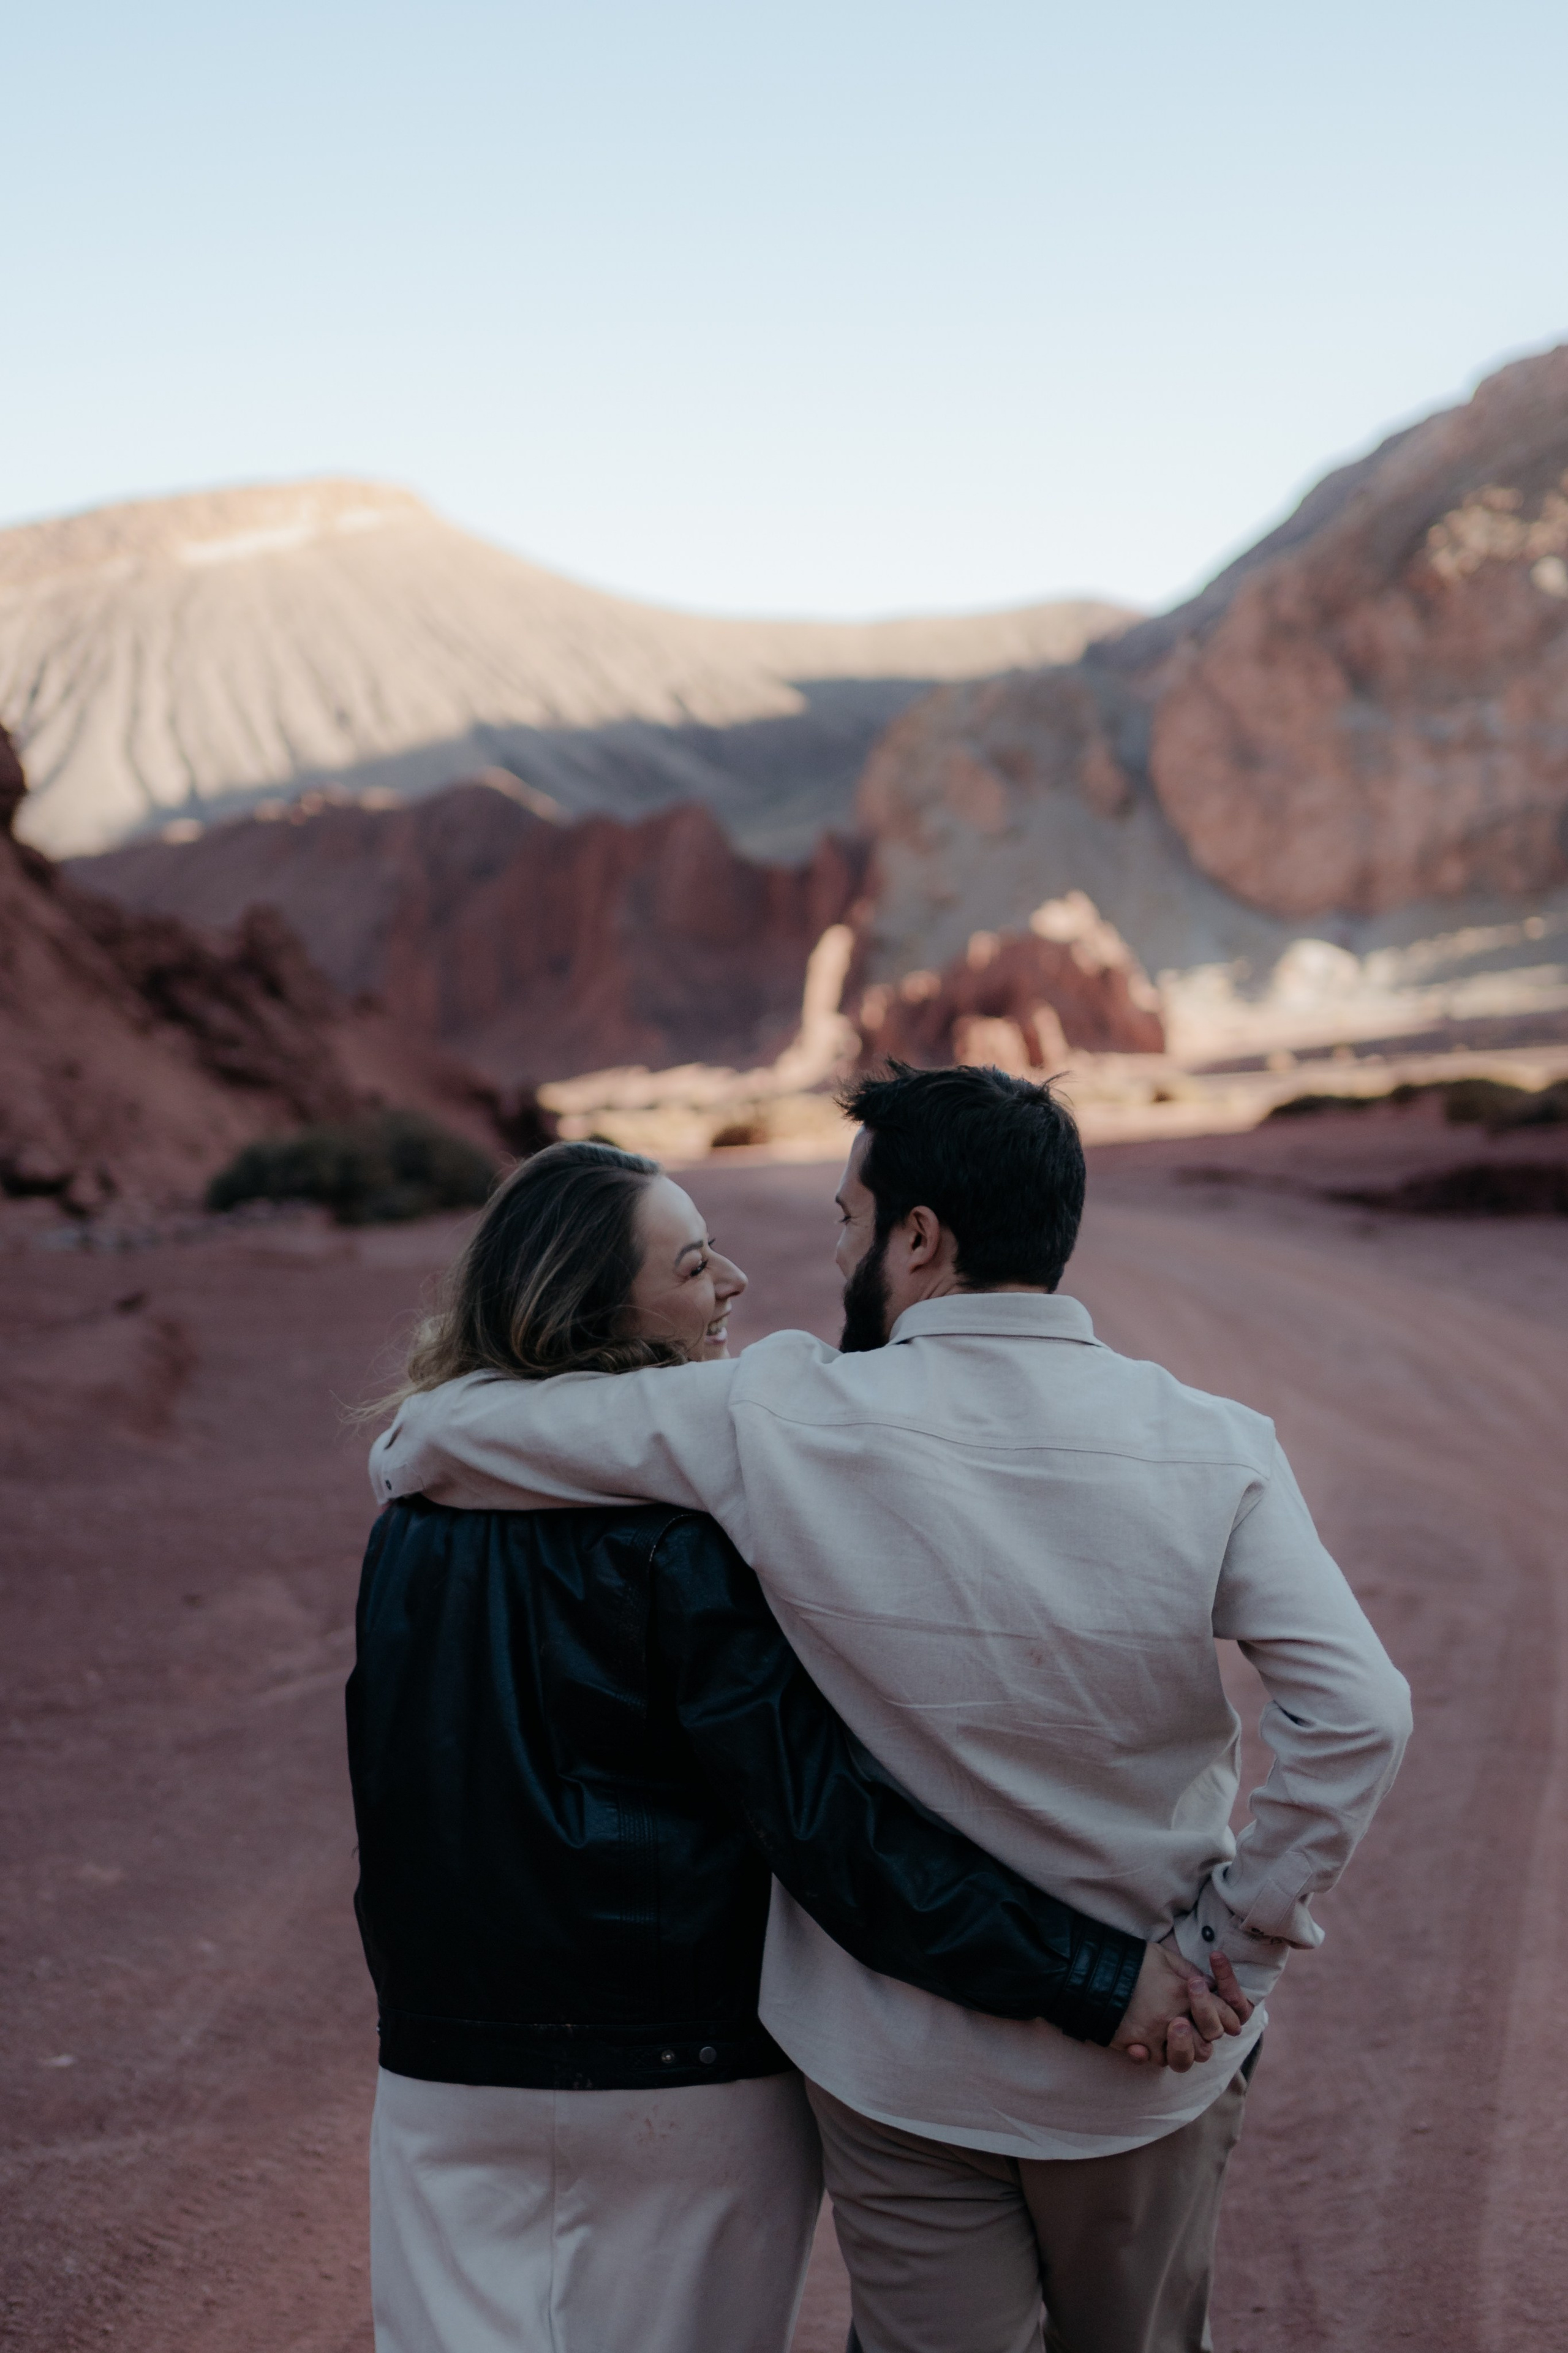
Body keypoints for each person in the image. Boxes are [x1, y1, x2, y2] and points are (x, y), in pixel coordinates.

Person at [373, 1065, 1413, 2353]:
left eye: (847, 1220)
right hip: (1153, 2060)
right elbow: (1359, 1709)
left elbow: (436, 1440)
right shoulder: (1216, 1440)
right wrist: (1233, 1945)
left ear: (919, 1236)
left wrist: (424, 1427)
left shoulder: (780, 1413)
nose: (834, 1253)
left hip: (900, 2071)